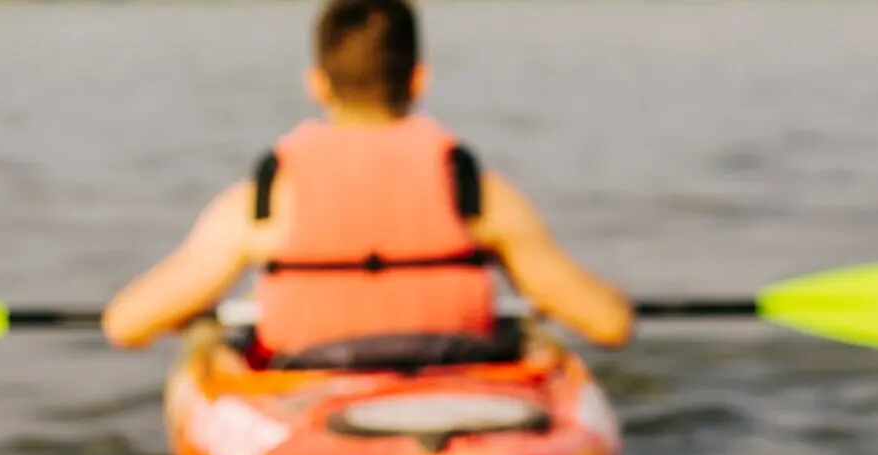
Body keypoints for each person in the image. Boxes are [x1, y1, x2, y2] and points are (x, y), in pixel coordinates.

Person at [102, 0, 633, 369]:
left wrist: (195, 320)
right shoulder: (477, 194)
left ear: (317, 82)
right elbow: (608, 325)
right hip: (460, 386)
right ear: (418, 79)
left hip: (309, 381)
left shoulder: (263, 203)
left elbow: (126, 326)